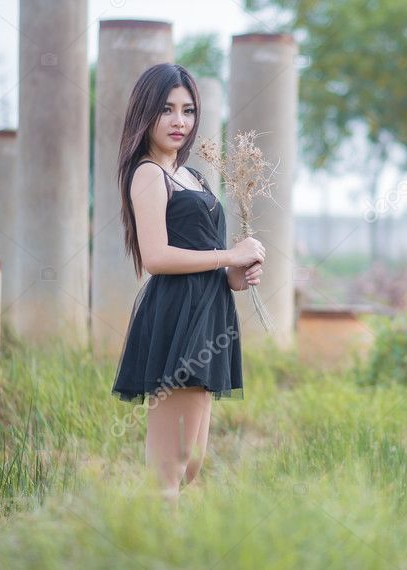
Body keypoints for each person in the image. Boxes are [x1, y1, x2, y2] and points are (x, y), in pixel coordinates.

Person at [110, 63, 265, 508]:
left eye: (188, 110)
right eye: (167, 110)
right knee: (171, 465)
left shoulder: (192, 176)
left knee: (192, 460)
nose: (180, 121)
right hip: (178, 315)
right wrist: (228, 255)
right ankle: (158, 546)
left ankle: (153, 529)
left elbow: (207, 255)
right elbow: (156, 257)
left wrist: (236, 274)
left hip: (211, 313)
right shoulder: (147, 174)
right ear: (145, 114)